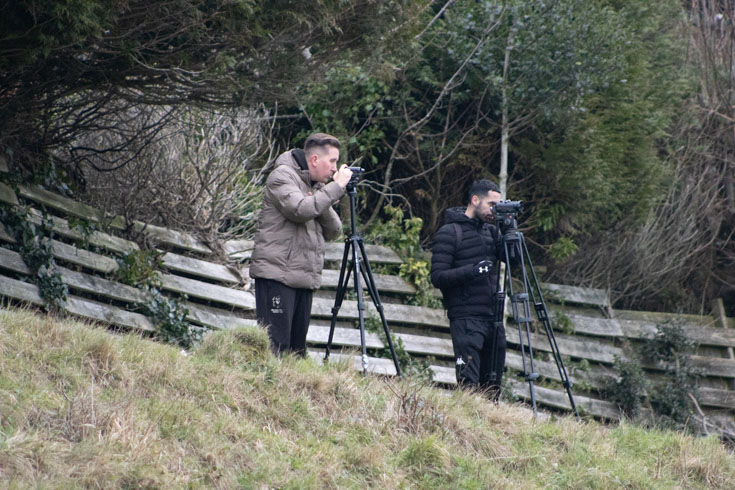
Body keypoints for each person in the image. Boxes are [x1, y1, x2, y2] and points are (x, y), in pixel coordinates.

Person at [250, 133, 353, 356]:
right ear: (315, 160)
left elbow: (334, 230)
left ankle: (291, 391)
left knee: (296, 352)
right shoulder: (282, 177)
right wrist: (335, 188)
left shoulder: (314, 186)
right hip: (277, 275)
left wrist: (324, 190)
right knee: (274, 348)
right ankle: (265, 389)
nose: (335, 169)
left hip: (302, 278)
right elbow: (301, 210)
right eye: (332, 161)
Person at [430, 179, 507, 399]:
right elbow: (437, 277)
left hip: (493, 318)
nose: (494, 210)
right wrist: (472, 271)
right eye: (492, 204)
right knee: (469, 386)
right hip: (466, 318)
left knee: (493, 387)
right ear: (475, 200)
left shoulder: (492, 232)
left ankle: (492, 425)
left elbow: (515, 260)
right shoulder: (450, 232)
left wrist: (509, 230)